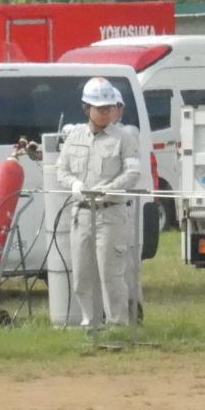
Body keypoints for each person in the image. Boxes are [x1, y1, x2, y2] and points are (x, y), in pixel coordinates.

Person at [57, 77, 141, 328]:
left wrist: (108, 189)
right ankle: (91, 324)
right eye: (100, 108)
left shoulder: (124, 137)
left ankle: (117, 326)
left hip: (110, 214)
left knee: (111, 274)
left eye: (109, 108)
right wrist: (74, 185)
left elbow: (133, 173)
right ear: (87, 109)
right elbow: (62, 170)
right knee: (82, 276)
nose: (106, 113)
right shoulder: (74, 137)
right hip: (81, 214)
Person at [110, 87, 145, 324]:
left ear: (120, 109)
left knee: (127, 266)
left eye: (110, 107)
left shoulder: (128, 133)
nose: (105, 112)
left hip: (126, 208)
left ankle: (133, 316)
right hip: (104, 210)